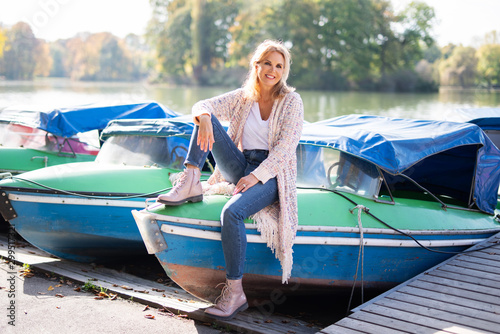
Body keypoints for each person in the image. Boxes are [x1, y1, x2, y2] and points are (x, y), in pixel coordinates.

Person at [156, 39, 304, 320]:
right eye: (268, 63)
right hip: (241, 163)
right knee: (204, 118)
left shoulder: (291, 101)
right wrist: (204, 116)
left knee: (232, 212)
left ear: (284, 71)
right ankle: (190, 180)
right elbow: (201, 104)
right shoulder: (243, 96)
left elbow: (286, 149)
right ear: (256, 65)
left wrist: (255, 176)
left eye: (279, 66)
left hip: (273, 175)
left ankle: (235, 292)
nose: (273, 70)